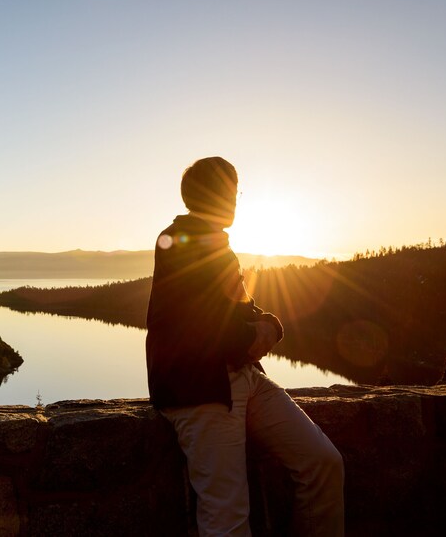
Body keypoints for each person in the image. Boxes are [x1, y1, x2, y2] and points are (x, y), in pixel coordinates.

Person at [145, 157, 344, 536]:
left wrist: (267, 324)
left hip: (243, 378)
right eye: (228, 190)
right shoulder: (179, 242)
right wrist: (258, 333)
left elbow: (236, 310)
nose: (234, 199)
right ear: (206, 194)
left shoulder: (217, 246)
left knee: (322, 462)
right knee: (228, 515)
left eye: (236, 191)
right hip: (200, 389)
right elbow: (201, 325)